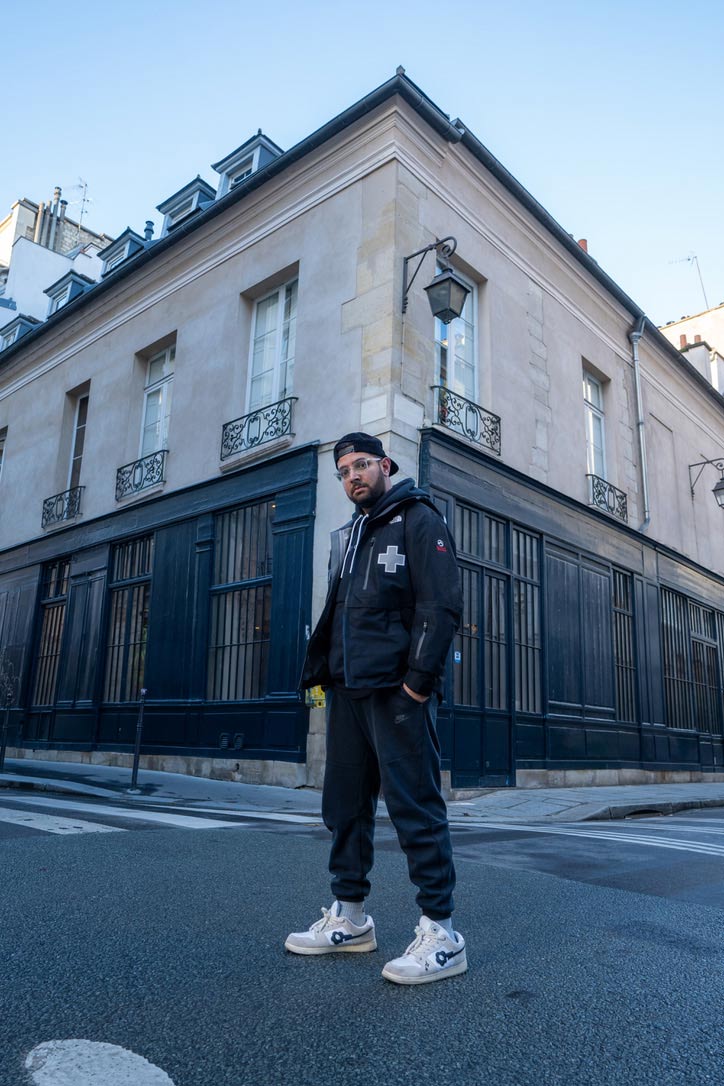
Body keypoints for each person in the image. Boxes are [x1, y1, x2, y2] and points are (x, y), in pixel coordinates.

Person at [286, 432, 466, 985]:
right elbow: (337, 609)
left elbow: (440, 605)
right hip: (347, 692)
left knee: (414, 808)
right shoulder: (352, 532)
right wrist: (322, 673)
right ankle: (352, 918)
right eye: (342, 471)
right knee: (344, 808)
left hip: (395, 694)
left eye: (361, 465)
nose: (352, 477)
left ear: (385, 465)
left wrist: (417, 684)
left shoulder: (417, 519)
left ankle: (443, 933)